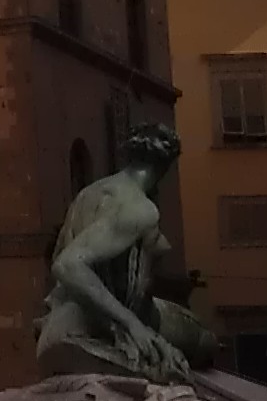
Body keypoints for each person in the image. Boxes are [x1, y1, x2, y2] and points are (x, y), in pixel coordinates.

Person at [37, 126, 214, 383]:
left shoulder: (89, 193)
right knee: (204, 340)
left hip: (71, 313)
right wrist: (132, 324)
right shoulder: (139, 208)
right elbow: (67, 265)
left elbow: (59, 258)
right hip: (111, 318)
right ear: (166, 165)